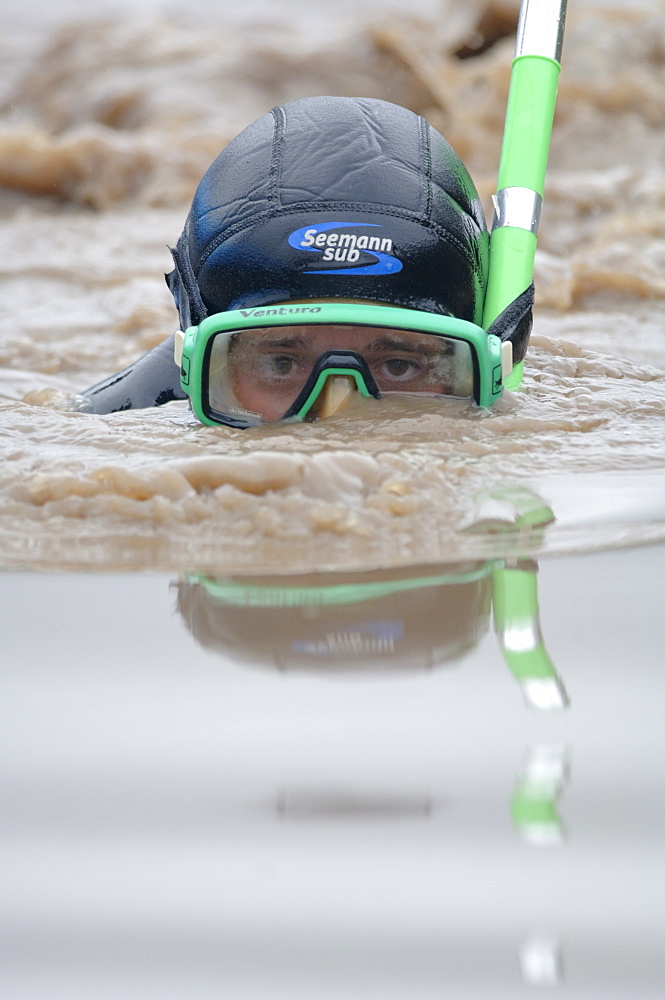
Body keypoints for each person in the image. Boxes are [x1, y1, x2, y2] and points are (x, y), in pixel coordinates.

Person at [74, 96, 533, 425]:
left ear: (487, 364)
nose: (334, 414)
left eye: (399, 364)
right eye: (280, 363)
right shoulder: (98, 439)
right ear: (194, 364)